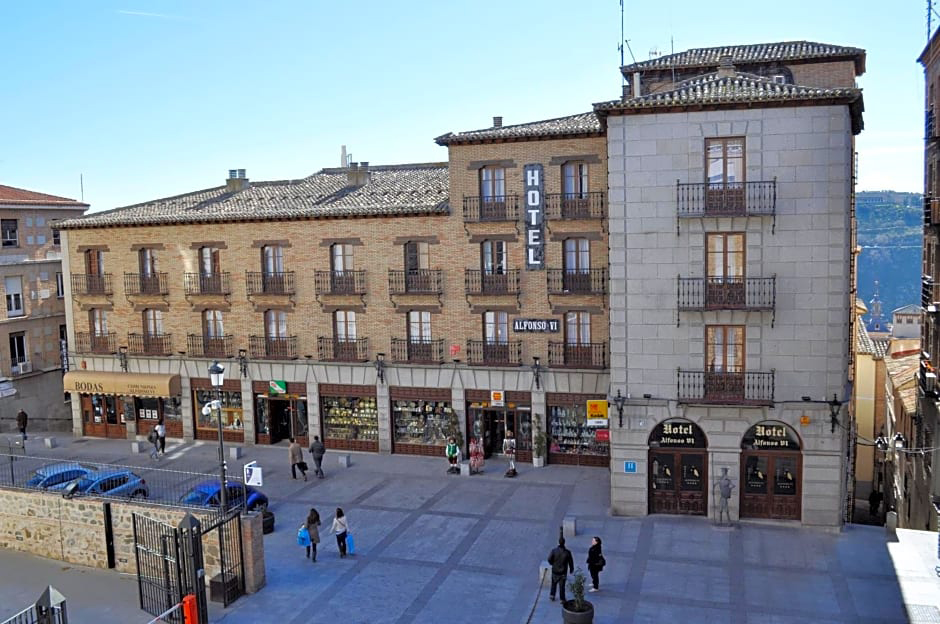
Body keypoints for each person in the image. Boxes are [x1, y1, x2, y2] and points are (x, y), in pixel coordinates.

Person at [547, 537, 574, 602]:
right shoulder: (567, 552)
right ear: (564, 543)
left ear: (558, 542)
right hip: (563, 572)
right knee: (562, 586)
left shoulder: (554, 551)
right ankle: (562, 599)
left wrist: (552, 564)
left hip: (555, 571)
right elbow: (570, 562)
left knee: (553, 584)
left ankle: (552, 595)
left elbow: (549, 559)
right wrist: (571, 569)